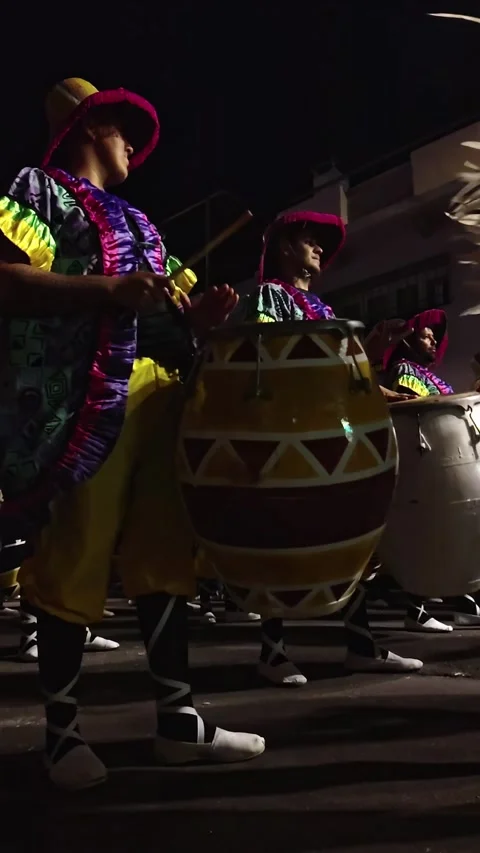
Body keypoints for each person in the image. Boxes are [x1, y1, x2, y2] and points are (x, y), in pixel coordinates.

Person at [0, 77, 264, 790]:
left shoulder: (141, 223)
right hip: (86, 401)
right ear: (91, 127)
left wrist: (194, 318)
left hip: (159, 395)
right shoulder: (37, 191)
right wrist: (110, 290)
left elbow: (163, 306)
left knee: (164, 555)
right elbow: (6, 278)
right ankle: (61, 736)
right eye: (124, 133)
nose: (133, 149)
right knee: (76, 555)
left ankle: (179, 720)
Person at [228, 211, 423, 686]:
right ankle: (273, 652)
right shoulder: (268, 297)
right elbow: (262, 362)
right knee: (284, 539)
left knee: (346, 536)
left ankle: (361, 645)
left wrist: (371, 355)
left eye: (320, 242)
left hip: (328, 434)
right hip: (286, 434)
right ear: (283, 247)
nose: (318, 248)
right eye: (308, 240)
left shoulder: (321, 307)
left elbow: (341, 376)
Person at [383, 310, 480, 628]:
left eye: (434, 337)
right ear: (408, 341)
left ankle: (460, 601)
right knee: (426, 530)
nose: (433, 340)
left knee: (445, 530)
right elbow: (415, 411)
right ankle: (417, 609)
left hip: (442, 457)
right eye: (426, 336)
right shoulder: (404, 370)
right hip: (422, 458)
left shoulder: (427, 374)